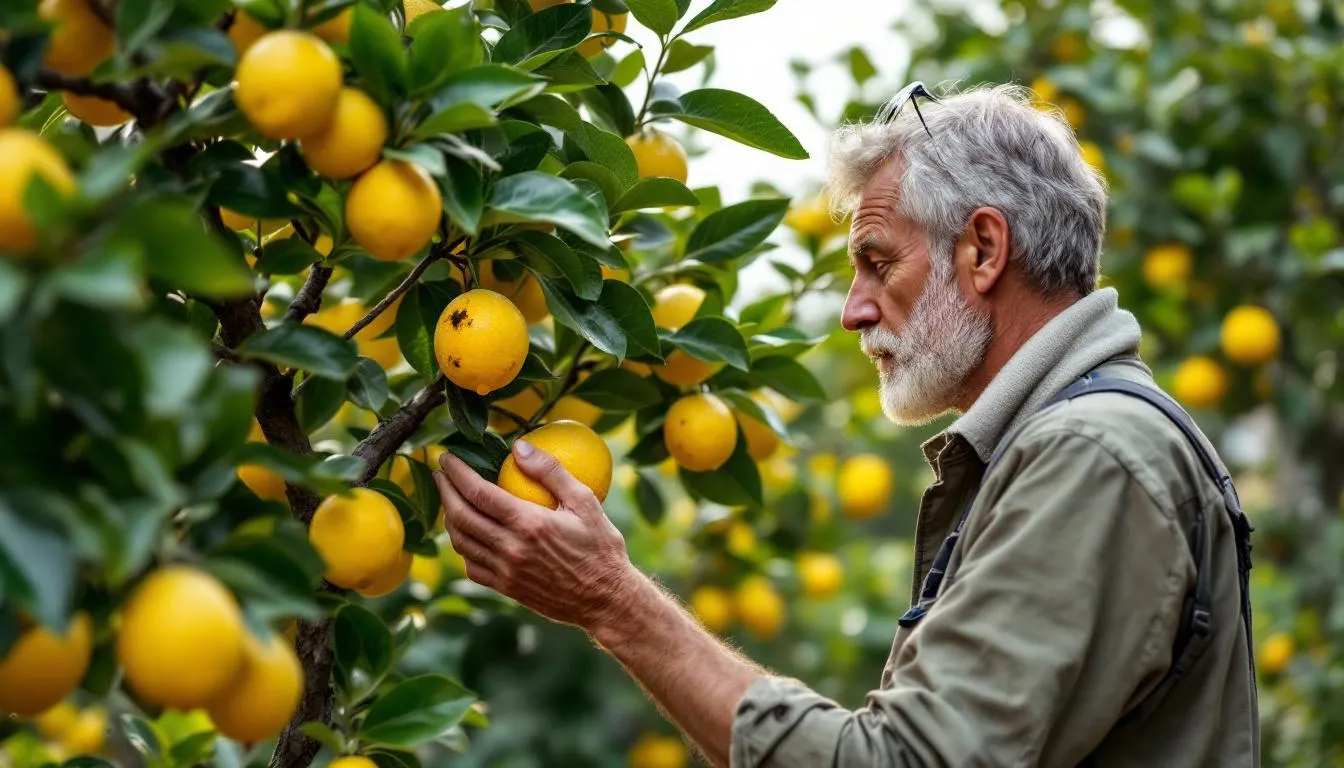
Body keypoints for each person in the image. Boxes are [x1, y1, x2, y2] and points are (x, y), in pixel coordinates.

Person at [432, 83, 1260, 767]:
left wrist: (615, 601)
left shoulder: (1090, 456)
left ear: (983, 249)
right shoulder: (1064, 442)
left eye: (878, 261)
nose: (852, 310)